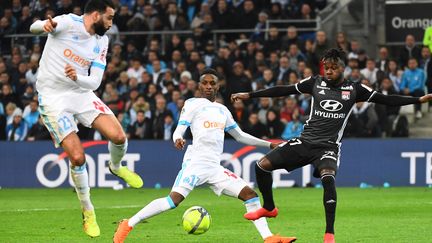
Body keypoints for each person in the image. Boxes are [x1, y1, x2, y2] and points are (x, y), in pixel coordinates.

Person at [230, 48, 432, 243]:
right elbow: (283, 90)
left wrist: (418, 99)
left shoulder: (355, 89)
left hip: (328, 147)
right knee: (261, 165)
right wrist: (250, 95)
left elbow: (387, 99)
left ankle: (329, 234)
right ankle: (269, 207)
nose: (328, 71)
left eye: (333, 68)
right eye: (326, 67)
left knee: (328, 178)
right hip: (305, 141)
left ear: (342, 68)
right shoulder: (314, 82)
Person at [113, 69, 296, 243]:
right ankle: (128, 224)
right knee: (173, 201)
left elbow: (240, 136)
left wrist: (270, 144)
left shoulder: (223, 110)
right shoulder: (192, 104)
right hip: (195, 163)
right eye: (205, 83)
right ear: (199, 86)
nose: (208, 86)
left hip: (214, 167)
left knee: (250, 195)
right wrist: (178, 138)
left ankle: (268, 237)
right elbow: (180, 128)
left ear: (218, 86)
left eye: (212, 83)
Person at [29, 0, 143, 238]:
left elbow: (95, 81)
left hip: (80, 92)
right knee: (78, 157)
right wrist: (44, 26)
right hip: (53, 98)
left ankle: (115, 166)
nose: (111, 24)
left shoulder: (102, 40)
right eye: (109, 18)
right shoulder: (68, 23)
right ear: (95, 15)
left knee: (119, 136)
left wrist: (76, 79)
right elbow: (34, 28)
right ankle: (88, 210)